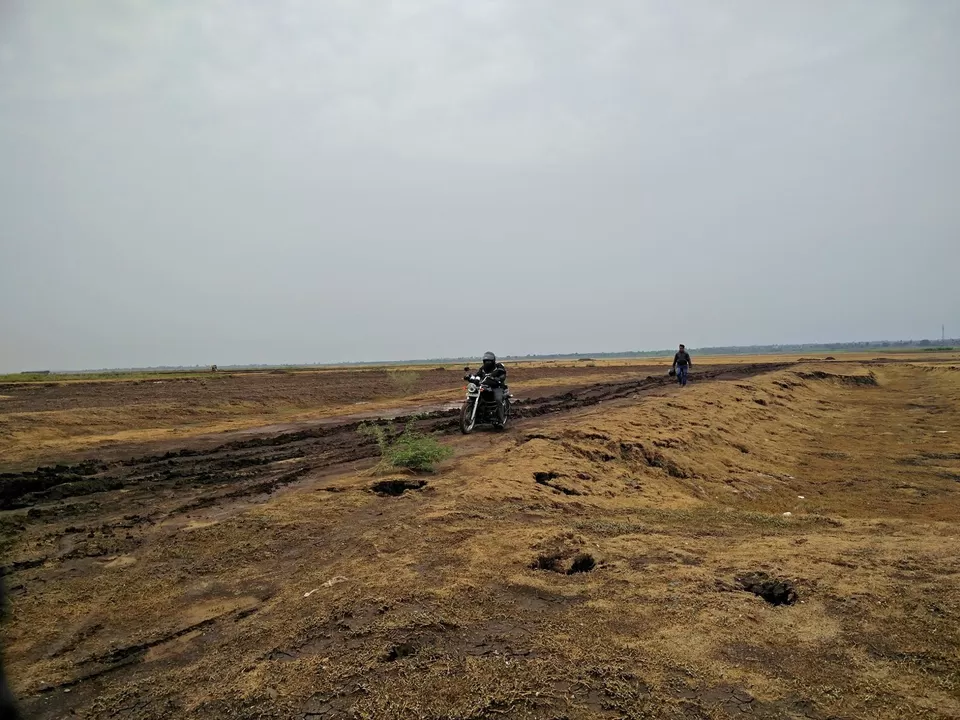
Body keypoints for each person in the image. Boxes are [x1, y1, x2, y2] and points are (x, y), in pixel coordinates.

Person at [475, 351, 508, 423]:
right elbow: (478, 375)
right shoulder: (482, 369)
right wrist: (474, 378)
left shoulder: (498, 366)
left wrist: (499, 378)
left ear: (493, 361)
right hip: (485, 386)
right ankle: (477, 416)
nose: (487, 363)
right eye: (486, 361)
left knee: (498, 399)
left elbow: (502, 373)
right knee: (477, 397)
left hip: (497, 386)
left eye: (489, 361)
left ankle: (500, 420)